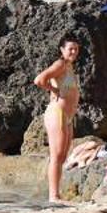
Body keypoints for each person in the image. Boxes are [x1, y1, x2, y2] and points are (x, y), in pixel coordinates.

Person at [35, 37, 83, 203]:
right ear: (62, 50)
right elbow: (39, 79)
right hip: (57, 113)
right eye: (70, 48)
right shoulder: (60, 64)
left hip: (67, 116)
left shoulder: (69, 66)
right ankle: (53, 196)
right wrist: (53, 88)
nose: (74, 52)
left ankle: (56, 193)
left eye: (76, 49)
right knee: (56, 155)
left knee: (62, 156)